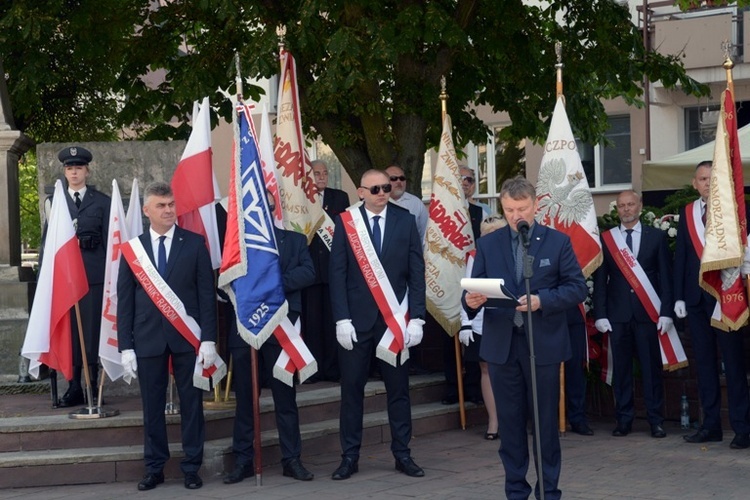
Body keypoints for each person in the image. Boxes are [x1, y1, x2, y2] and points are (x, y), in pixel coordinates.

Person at [463, 176, 587, 500]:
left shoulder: (557, 242)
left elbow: (577, 288)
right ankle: (515, 492)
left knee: (545, 425)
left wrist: (542, 300)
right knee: (511, 427)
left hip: (542, 346)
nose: (516, 215)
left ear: (535, 206)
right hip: (503, 346)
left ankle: (549, 492)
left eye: (521, 208)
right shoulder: (488, 244)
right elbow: (475, 289)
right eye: (508, 209)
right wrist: (471, 300)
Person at [117, 182, 218, 491]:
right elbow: (125, 301)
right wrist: (126, 347)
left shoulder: (194, 243)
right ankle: (154, 467)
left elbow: (206, 296)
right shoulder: (134, 250)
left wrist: (210, 340)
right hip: (147, 339)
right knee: (152, 407)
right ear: (147, 211)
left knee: (192, 404)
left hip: (188, 339)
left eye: (171, 204)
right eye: (161, 205)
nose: (169, 210)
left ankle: (191, 467)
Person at [328, 169, 426, 480]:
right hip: (356, 323)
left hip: (394, 321)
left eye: (386, 187)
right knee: (352, 391)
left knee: (398, 391)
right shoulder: (347, 223)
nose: (382, 192)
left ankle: (403, 454)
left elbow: (416, 273)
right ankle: (349, 457)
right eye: (375, 189)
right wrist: (341, 318)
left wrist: (418, 318)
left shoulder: (405, 220)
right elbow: (337, 274)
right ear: (360, 192)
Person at [224, 190, 316, 484]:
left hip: (281, 331)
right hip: (246, 330)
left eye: (266, 205)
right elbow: (222, 281)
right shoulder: (236, 248)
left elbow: (307, 273)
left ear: (274, 208)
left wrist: (272, 286)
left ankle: (292, 459)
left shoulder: (295, 240)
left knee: (285, 399)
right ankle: (244, 461)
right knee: (245, 401)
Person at [674, 161, 750, 449]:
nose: (707, 183)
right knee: (704, 366)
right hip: (694, 300)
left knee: (733, 365)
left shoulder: (731, 212)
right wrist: (679, 297)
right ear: (695, 183)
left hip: (724, 298)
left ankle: (743, 428)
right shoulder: (688, 213)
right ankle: (711, 426)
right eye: (702, 179)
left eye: (711, 178)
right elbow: (681, 255)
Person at [593, 190, 670, 439]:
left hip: (648, 314)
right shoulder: (607, 240)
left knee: (651, 370)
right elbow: (600, 280)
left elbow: (666, 279)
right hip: (617, 316)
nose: (626, 209)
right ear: (618, 209)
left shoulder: (656, 237)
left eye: (630, 204)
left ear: (640, 206)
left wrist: (666, 313)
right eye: (622, 205)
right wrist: (601, 314)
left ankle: (655, 421)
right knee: (622, 372)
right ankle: (623, 419)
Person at [42, 146, 110, 407]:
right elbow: (48, 244)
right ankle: (73, 386)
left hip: (93, 277)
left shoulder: (102, 202)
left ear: (87, 171)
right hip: (64, 280)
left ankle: (91, 384)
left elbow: (109, 246)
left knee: (91, 333)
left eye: (79, 168)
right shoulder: (55, 203)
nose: (74, 172)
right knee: (69, 332)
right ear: (64, 172)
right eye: (70, 168)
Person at [458, 214, 506, 440]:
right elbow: (468, 291)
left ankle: (514, 418)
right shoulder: (475, 257)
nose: (492, 238)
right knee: (486, 369)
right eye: (487, 234)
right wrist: (465, 323)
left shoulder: (515, 255)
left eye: (497, 232)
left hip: (509, 321)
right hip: (482, 321)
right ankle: (494, 421)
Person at [302, 159, 350, 382]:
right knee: (311, 325)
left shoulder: (339, 197)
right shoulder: (300, 198)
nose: (321, 177)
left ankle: (333, 369)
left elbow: (345, 233)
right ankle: (314, 370)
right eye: (316, 173)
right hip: (309, 271)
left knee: (333, 322)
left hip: (333, 271)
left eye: (324, 173)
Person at [442, 166, 486, 405]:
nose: (465, 183)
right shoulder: (441, 214)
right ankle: (453, 388)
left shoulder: (483, 211)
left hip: (476, 280)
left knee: (475, 338)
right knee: (451, 333)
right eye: (459, 179)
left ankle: (474, 389)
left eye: (469, 179)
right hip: (448, 280)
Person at [565, 306, 594, 435]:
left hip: (573, 315)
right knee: (545, 372)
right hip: (545, 318)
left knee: (575, 370)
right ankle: (544, 418)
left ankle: (577, 419)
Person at [385, 164, 428, 242]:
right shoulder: (376, 202)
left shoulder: (416, 203)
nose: (399, 181)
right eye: (393, 178)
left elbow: (425, 235)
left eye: (402, 178)